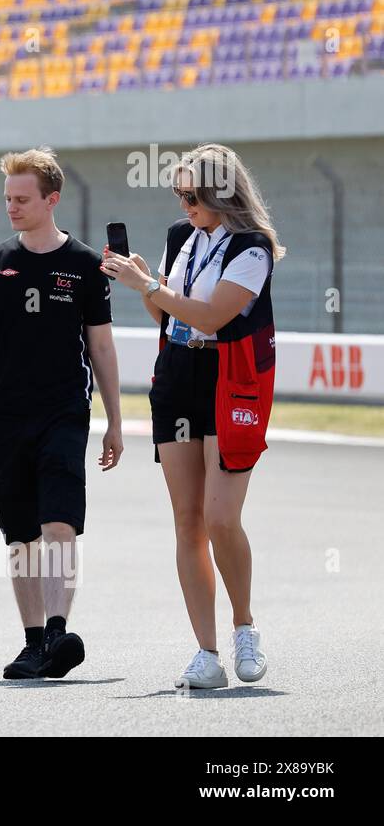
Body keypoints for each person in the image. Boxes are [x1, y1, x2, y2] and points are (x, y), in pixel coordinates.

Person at [0, 147, 123, 681]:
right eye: (7, 199)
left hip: (64, 411)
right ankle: (33, 641)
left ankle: (60, 629)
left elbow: (103, 350)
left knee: (59, 520)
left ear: (52, 199)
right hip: (2, 415)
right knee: (20, 534)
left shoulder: (87, 267)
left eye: (22, 199)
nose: (12, 208)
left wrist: (113, 419)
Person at [101, 143, 281, 691]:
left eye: (192, 196)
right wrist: (144, 282)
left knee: (221, 516)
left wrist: (152, 287)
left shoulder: (253, 247)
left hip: (230, 379)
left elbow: (211, 314)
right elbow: (164, 312)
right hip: (177, 374)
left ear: (222, 193)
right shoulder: (182, 237)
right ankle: (206, 653)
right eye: (179, 195)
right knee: (188, 520)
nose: (184, 206)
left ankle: (244, 627)